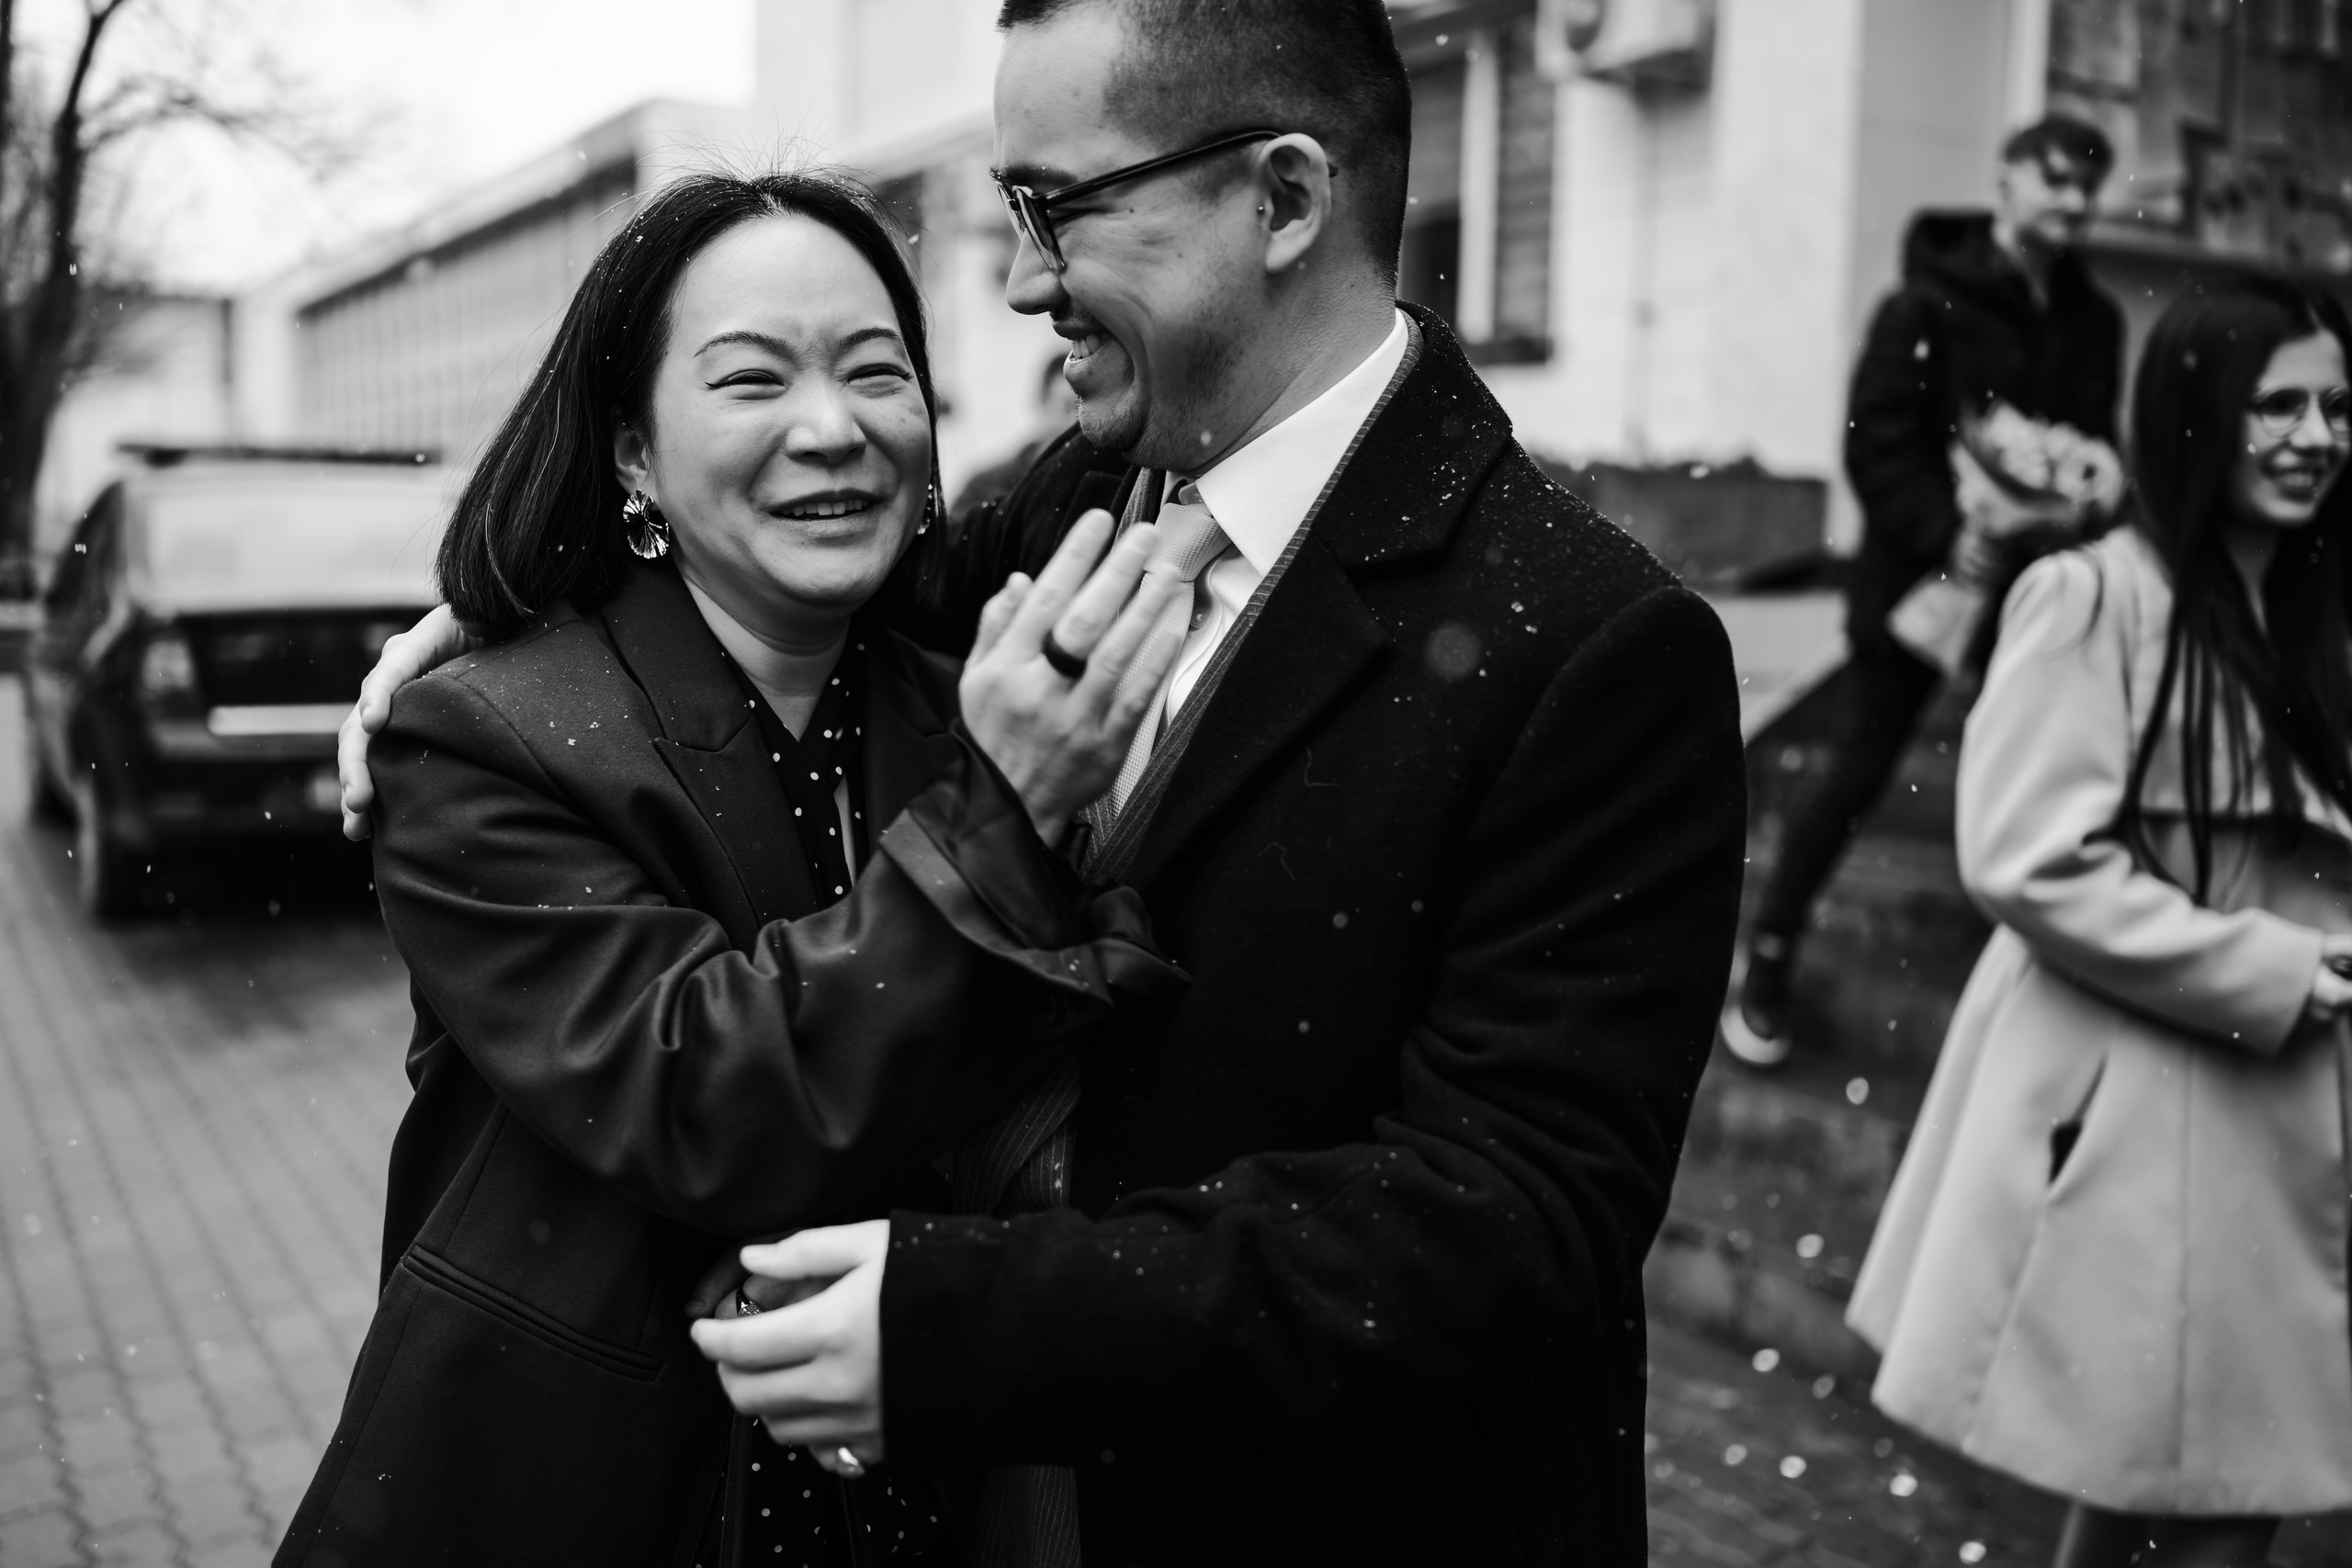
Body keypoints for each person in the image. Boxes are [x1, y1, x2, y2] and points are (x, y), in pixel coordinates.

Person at [340, 2, 1747, 1560]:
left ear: (1284, 200)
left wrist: (970, 1321)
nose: (1020, 283)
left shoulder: (1592, 642)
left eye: (1057, 207)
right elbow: (786, 564)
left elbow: (1513, 1224)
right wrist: (494, 622)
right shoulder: (1077, 499)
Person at [278, 170, 1191, 1567]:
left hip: (916, 1497)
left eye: (876, 371)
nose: (831, 428)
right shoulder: (487, 741)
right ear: (634, 452)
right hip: (578, 1488)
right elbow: (705, 1097)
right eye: (751, 379)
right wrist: (1003, 830)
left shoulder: (967, 705)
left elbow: (1097, 1003)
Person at [1848, 277, 2352, 1568]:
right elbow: (2027, 858)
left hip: (2276, 1109)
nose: (2316, 436)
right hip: (2158, 1104)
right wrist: (2272, 968)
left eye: (2338, 407)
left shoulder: (2311, 611)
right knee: (2208, 1490)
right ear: (2197, 410)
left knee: (2176, 1478)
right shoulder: (2094, 596)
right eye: (2277, 405)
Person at [1721, 113, 2126, 1066]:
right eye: (2055, 178)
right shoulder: (1923, 304)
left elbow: (2088, 440)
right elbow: (1874, 444)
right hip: (1918, 586)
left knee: (2031, 778)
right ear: (2006, 179)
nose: (2072, 201)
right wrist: (1951, 534)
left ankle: (2024, 994)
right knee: (1856, 771)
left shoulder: (2096, 320)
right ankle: (1768, 953)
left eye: (2087, 185)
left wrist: (2077, 496)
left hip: (2033, 597)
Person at [949, 349, 1081, 515]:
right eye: (1069, 408)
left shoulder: (1102, 488)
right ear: (1043, 401)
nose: (1078, 423)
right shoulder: (985, 488)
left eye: (1087, 410)